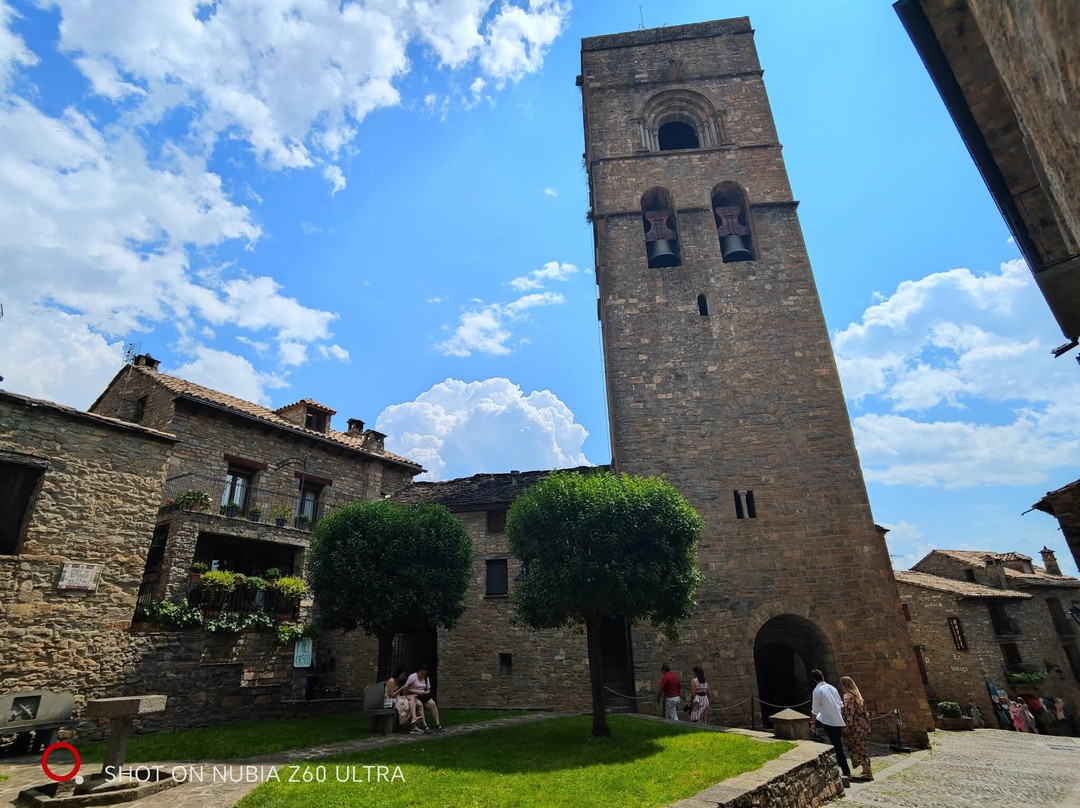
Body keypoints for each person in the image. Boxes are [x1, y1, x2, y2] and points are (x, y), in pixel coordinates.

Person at [809, 669, 851, 786]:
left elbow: (815, 710)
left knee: (837, 746)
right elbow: (841, 705)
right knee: (837, 745)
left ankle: (846, 771)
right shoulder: (832, 688)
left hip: (829, 721)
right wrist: (841, 717)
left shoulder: (817, 691)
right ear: (822, 676)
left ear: (814, 679)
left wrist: (813, 723)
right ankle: (841, 768)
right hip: (837, 720)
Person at [840, 676, 872, 781]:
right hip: (862, 726)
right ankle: (865, 769)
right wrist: (867, 724)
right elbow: (865, 713)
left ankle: (868, 772)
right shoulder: (858, 696)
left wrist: (847, 728)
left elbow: (849, 714)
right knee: (862, 747)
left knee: (857, 749)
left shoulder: (848, 697)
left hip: (854, 728)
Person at [404, 663, 444, 732]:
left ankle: (437, 724)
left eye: (425, 674)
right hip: (414, 696)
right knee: (420, 705)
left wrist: (426, 692)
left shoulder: (426, 678)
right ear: (418, 671)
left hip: (423, 695)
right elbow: (407, 689)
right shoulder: (412, 677)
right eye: (422, 674)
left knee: (433, 704)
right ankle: (425, 725)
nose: (423, 675)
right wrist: (416, 691)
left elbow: (428, 689)